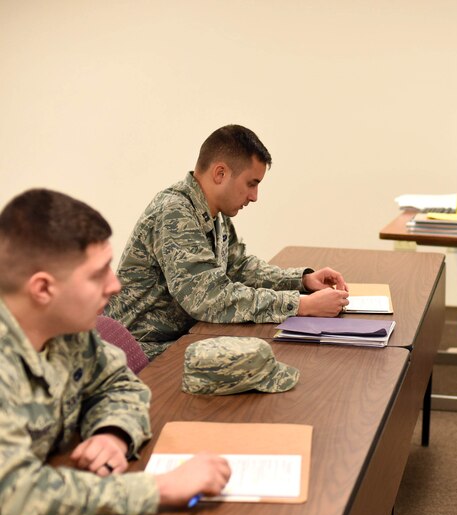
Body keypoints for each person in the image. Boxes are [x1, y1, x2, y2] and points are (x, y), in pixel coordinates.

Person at [0, 189, 231, 515]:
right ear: (43, 289)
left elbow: (120, 385)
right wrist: (161, 488)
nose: (115, 284)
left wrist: (112, 432)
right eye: (97, 274)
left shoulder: (66, 331)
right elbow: (13, 501)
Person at [105, 124, 349, 359]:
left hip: (181, 337)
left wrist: (302, 280)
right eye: (251, 184)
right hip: (142, 350)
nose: (254, 197)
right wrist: (300, 305)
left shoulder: (212, 213)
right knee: (262, 361)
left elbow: (239, 268)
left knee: (265, 357)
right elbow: (207, 298)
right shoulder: (174, 212)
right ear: (220, 173)